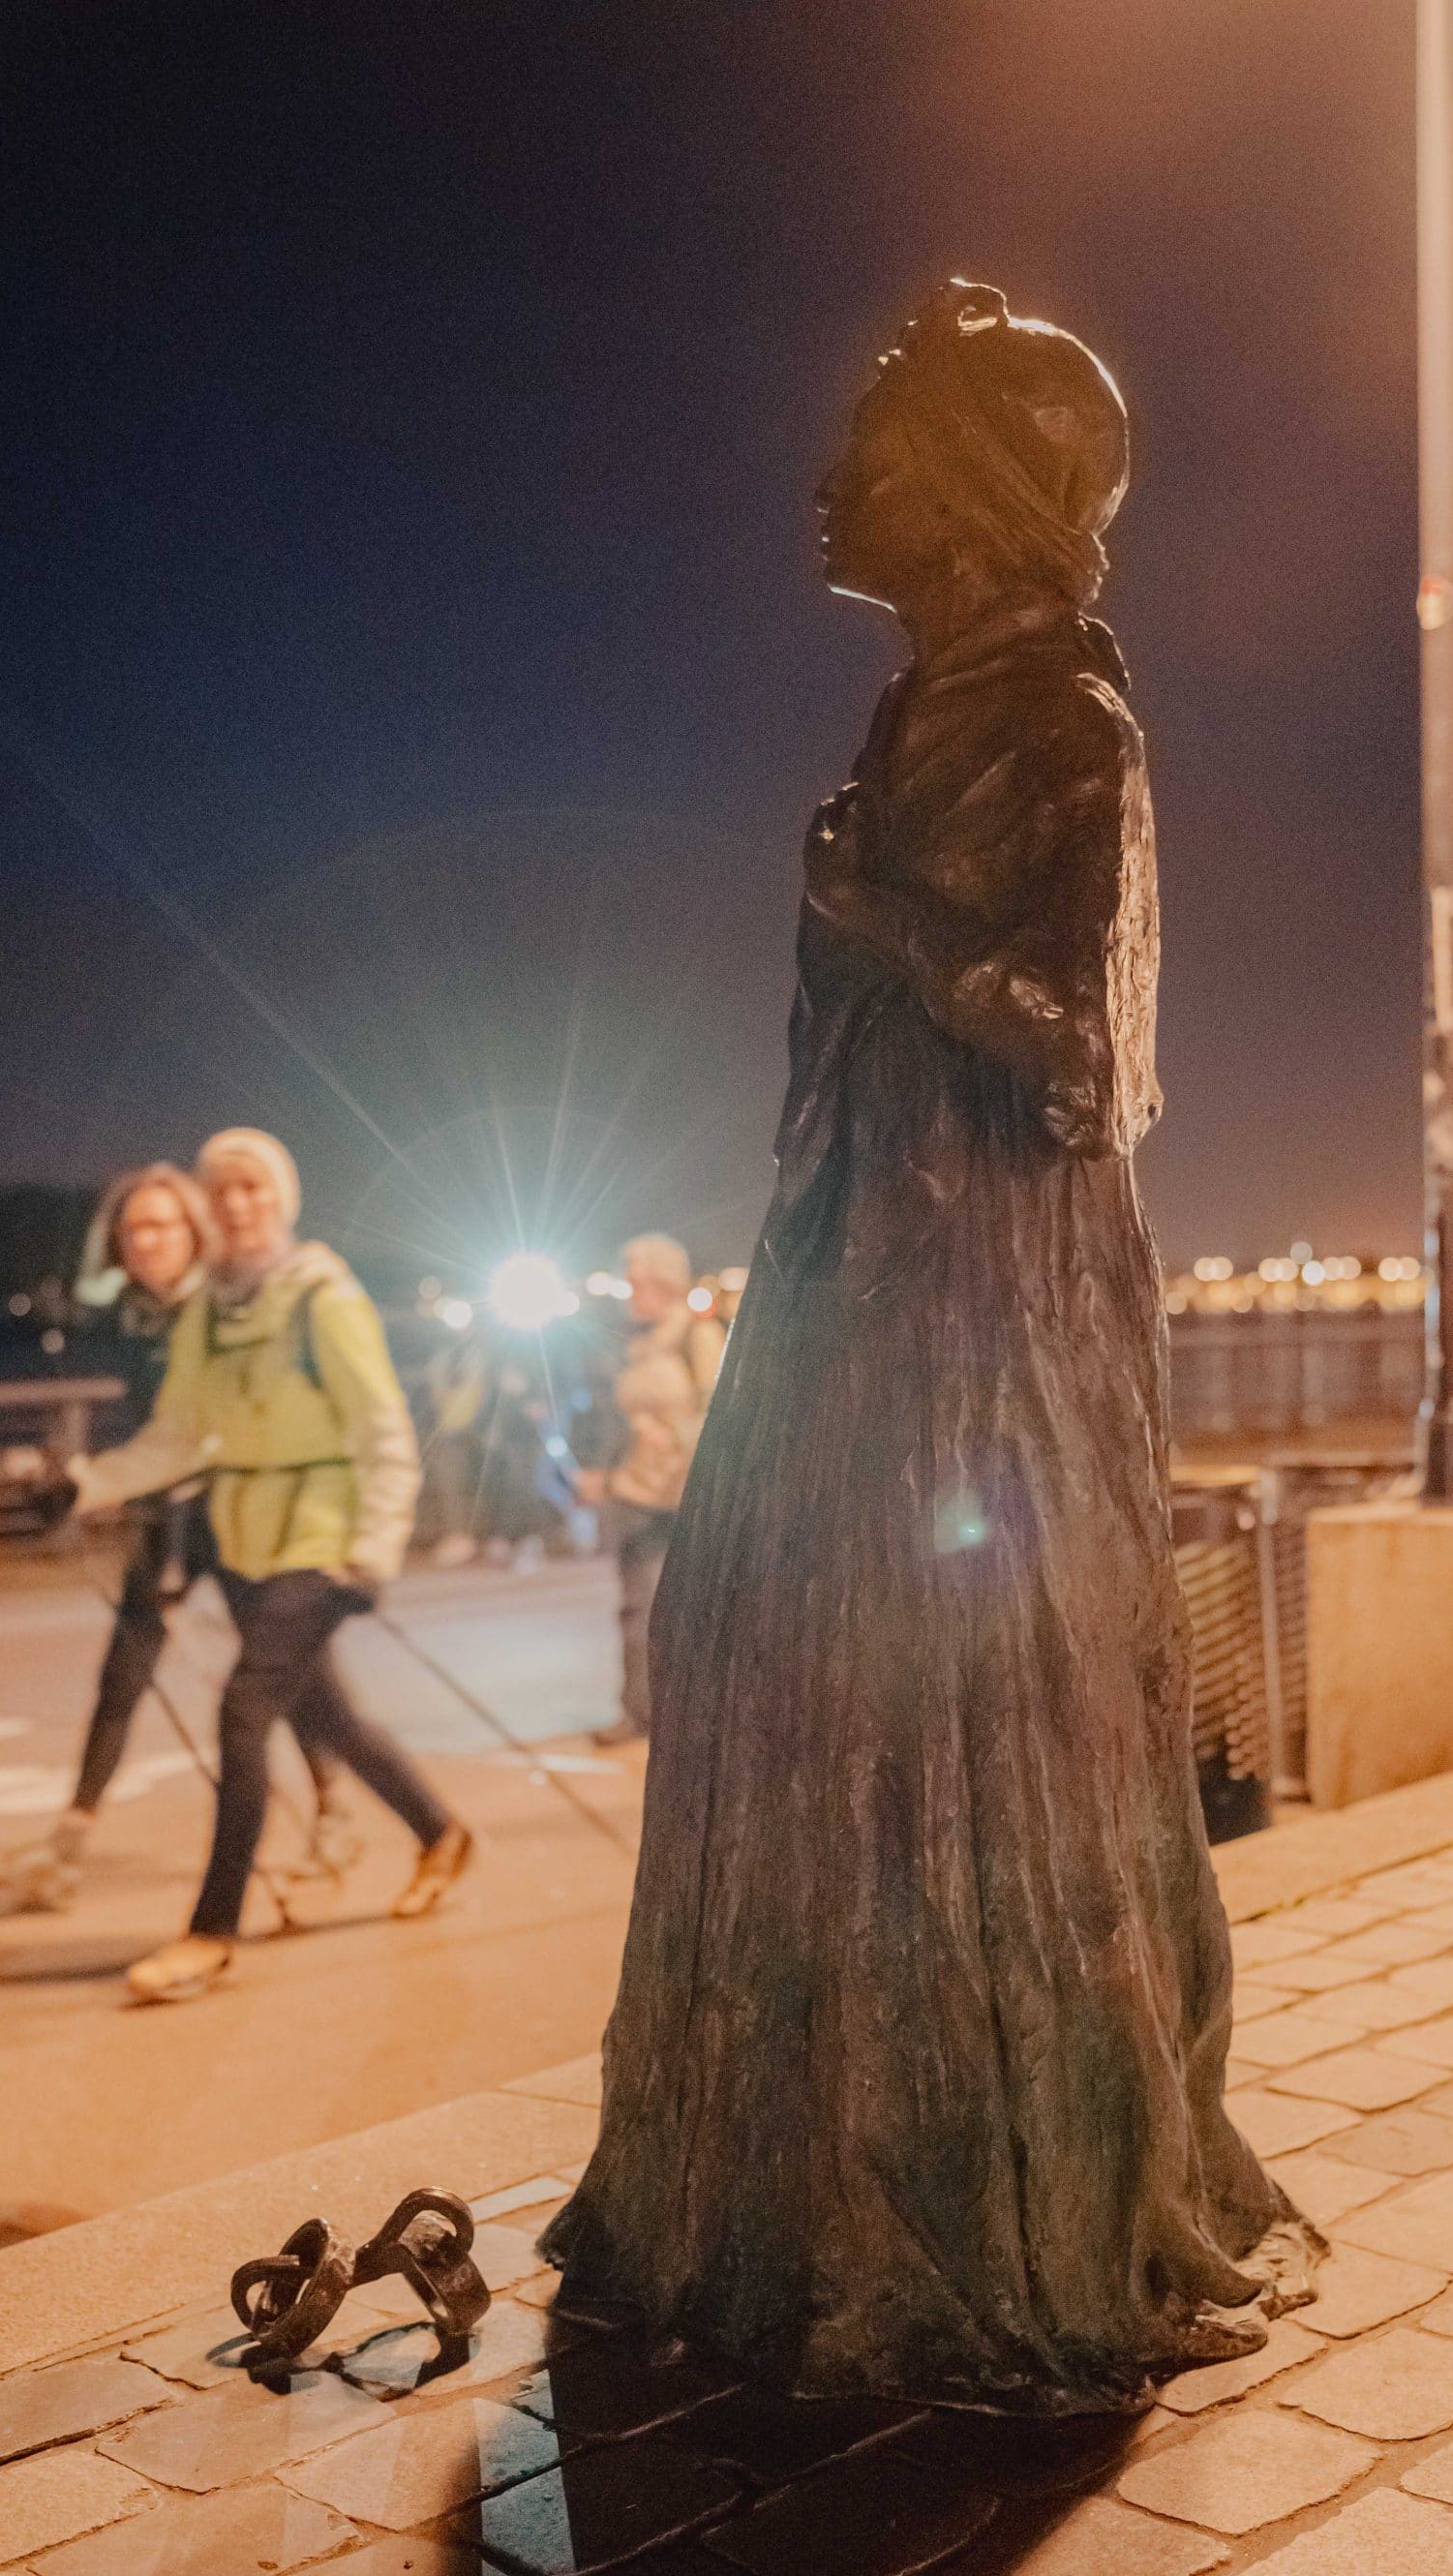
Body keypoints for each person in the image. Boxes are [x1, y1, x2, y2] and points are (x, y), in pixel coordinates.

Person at [543, 285, 1318, 2409]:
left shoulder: (1065, 720)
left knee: (965, 1727)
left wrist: (868, 909)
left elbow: (1076, 1060)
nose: (831, 482)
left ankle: (988, 2208)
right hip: (854, 1290)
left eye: (876, 444)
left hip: (982, 1323)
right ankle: (792, 2190)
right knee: (777, 1666)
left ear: (973, 484)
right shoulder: (914, 719)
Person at [66, 1129, 473, 2003]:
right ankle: (441, 1834)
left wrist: (375, 1550)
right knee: (329, 1715)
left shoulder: (322, 1295)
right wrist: (84, 1483)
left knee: (244, 1711)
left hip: (322, 1540)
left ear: (281, 1198)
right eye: (221, 1190)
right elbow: (179, 1436)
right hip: (247, 1538)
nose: (237, 1204)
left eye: (252, 1187)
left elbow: (382, 1427)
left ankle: (210, 1932)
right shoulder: (209, 1311)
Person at [0, 1166, 354, 1913]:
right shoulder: (133, 1317)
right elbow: (154, 1428)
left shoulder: (224, 1307)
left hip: (239, 1514)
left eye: (159, 1226)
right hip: (164, 1516)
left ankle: (336, 1813)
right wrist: (85, 1483)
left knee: (291, 1675)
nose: (143, 1242)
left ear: (194, 1231)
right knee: (122, 1675)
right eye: (130, 1230)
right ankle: (67, 1847)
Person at [574, 1232, 724, 1745]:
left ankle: (695, 1712)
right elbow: (623, 1425)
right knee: (638, 1610)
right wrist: (605, 1474)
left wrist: (677, 1441)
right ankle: (640, 1712)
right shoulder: (638, 1346)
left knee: (694, 1612)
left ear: (664, 1283)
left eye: (636, 1282)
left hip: (687, 1497)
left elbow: (718, 1415)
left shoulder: (696, 1337)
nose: (629, 1292)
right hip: (637, 1495)